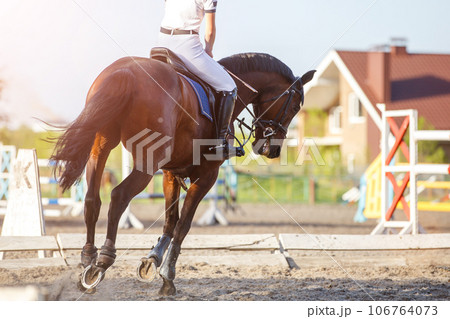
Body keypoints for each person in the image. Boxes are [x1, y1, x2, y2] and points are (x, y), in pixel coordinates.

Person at [158, 0, 243, 159]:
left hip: (161, 41)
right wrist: (208, 50)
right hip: (186, 45)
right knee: (229, 86)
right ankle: (220, 144)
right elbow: (210, 32)